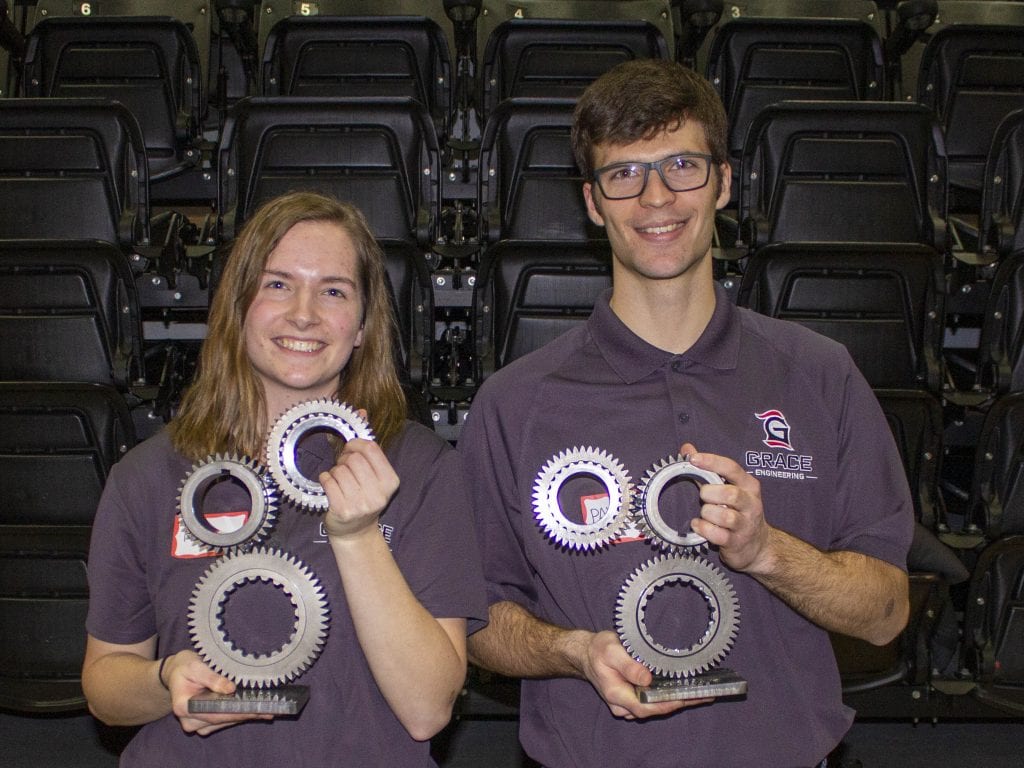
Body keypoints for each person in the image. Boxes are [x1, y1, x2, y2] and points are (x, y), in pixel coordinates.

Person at [458, 58, 913, 767]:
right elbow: (480, 622)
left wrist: (767, 552)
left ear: (724, 182)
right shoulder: (515, 403)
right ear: (592, 201)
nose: (656, 198)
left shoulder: (820, 375)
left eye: (681, 166)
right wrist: (572, 652)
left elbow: (886, 613)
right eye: (625, 174)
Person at [83, 191, 487, 766]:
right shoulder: (146, 477)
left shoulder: (418, 469)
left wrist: (358, 536)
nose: (304, 313)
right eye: (277, 284)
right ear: (237, 305)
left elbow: (428, 708)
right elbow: (104, 683)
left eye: (333, 290)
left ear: (363, 326)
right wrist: (165, 678)